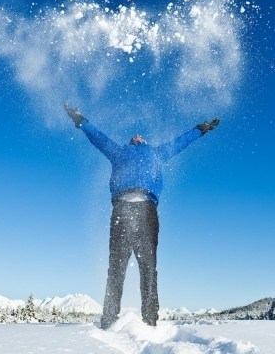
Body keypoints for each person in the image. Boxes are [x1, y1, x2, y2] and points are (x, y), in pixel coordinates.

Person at [64, 103, 219, 329]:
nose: (137, 136)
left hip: (147, 210)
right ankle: (108, 321)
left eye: (140, 135)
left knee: (148, 267)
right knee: (116, 267)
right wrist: (79, 119)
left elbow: (180, 143)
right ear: (130, 143)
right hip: (122, 209)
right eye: (134, 136)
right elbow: (99, 138)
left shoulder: (157, 152)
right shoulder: (119, 152)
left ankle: (150, 321)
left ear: (145, 142)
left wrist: (200, 129)